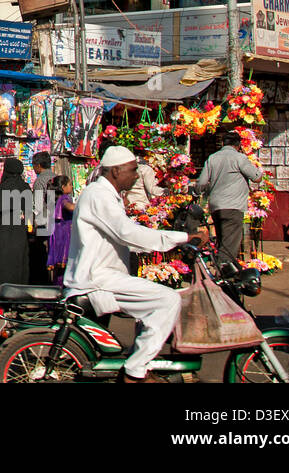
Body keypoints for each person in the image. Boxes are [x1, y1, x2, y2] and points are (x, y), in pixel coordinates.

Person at [64, 146, 207, 382]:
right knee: (168, 299)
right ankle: (135, 371)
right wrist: (181, 238)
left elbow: (126, 236)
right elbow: (126, 233)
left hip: (106, 275)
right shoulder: (98, 195)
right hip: (97, 278)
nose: (137, 175)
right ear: (117, 171)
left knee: (151, 307)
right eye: (133, 170)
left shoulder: (108, 195)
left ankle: (140, 361)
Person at [194, 131, 263, 269]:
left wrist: (196, 193)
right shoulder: (239, 158)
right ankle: (224, 273)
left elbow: (201, 182)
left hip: (216, 206)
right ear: (238, 145)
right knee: (229, 245)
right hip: (233, 206)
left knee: (223, 241)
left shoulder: (213, 158)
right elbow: (256, 177)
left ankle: (224, 270)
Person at [0, 156, 31, 296]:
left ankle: (2, 294)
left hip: (5, 232)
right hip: (20, 232)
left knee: (4, 264)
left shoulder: (5, 187)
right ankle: (19, 296)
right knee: (19, 262)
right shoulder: (25, 187)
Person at [29, 152, 55, 283]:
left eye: (33, 165)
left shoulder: (40, 181)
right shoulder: (57, 178)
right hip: (56, 221)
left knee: (42, 254)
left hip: (43, 222)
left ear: (39, 166)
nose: (33, 168)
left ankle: (42, 282)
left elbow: (38, 206)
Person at [45, 175, 76, 284]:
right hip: (64, 234)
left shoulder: (55, 199)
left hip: (57, 233)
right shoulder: (64, 198)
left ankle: (57, 289)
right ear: (63, 187)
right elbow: (70, 207)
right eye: (69, 184)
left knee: (59, 269)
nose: (71, 187)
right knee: (65, 267)